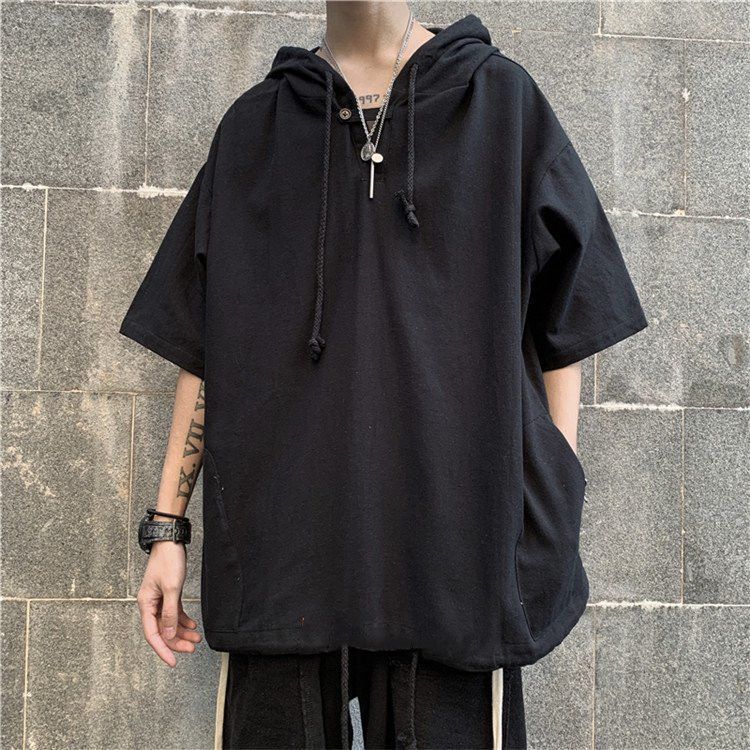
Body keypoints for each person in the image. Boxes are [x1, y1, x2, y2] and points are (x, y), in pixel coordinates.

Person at [120, 3, 648, 748]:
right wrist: (167, 528)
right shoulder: (255, 128)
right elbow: (208, 343)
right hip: (284, 560)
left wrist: (548, 502)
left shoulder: (500, 105)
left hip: (455, 561)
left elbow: (568, 322)